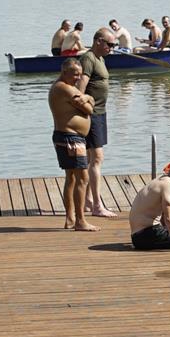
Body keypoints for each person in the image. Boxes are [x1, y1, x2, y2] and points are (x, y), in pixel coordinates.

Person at [48, 58, 97, 232]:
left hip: (68, 137)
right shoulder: (64, 88)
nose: (78, 78)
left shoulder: (64, 87)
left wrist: (87, 97)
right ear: (64, 72)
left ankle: (70, 218)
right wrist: (89, 98)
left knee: (72, 178)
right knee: (82, 178)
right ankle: (80, 221)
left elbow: (87, 103)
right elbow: (89, 109)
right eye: (75, 74)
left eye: (80, 74)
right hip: (71, 138)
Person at [76, 27, 117, 219]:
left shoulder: (100, 59)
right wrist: (85, 113)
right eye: (110, 44)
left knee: (91, 159)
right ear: (98, 41)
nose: (112, 48)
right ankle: (97, 206)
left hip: (100, 114)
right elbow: (79, 91)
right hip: (91, 115)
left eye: (114, 45)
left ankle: (87, 201)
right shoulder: (88, 59)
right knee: (97, 158)